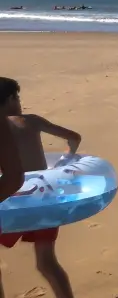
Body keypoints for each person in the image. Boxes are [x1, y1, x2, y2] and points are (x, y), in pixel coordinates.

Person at [0, 77, 79, 298]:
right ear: (8, 100)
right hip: (43, 198)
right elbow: (74, 138)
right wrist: (64, 161)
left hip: (10, 198)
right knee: (46, 263)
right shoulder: (32, 121)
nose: (19, 101)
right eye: (16, 97)